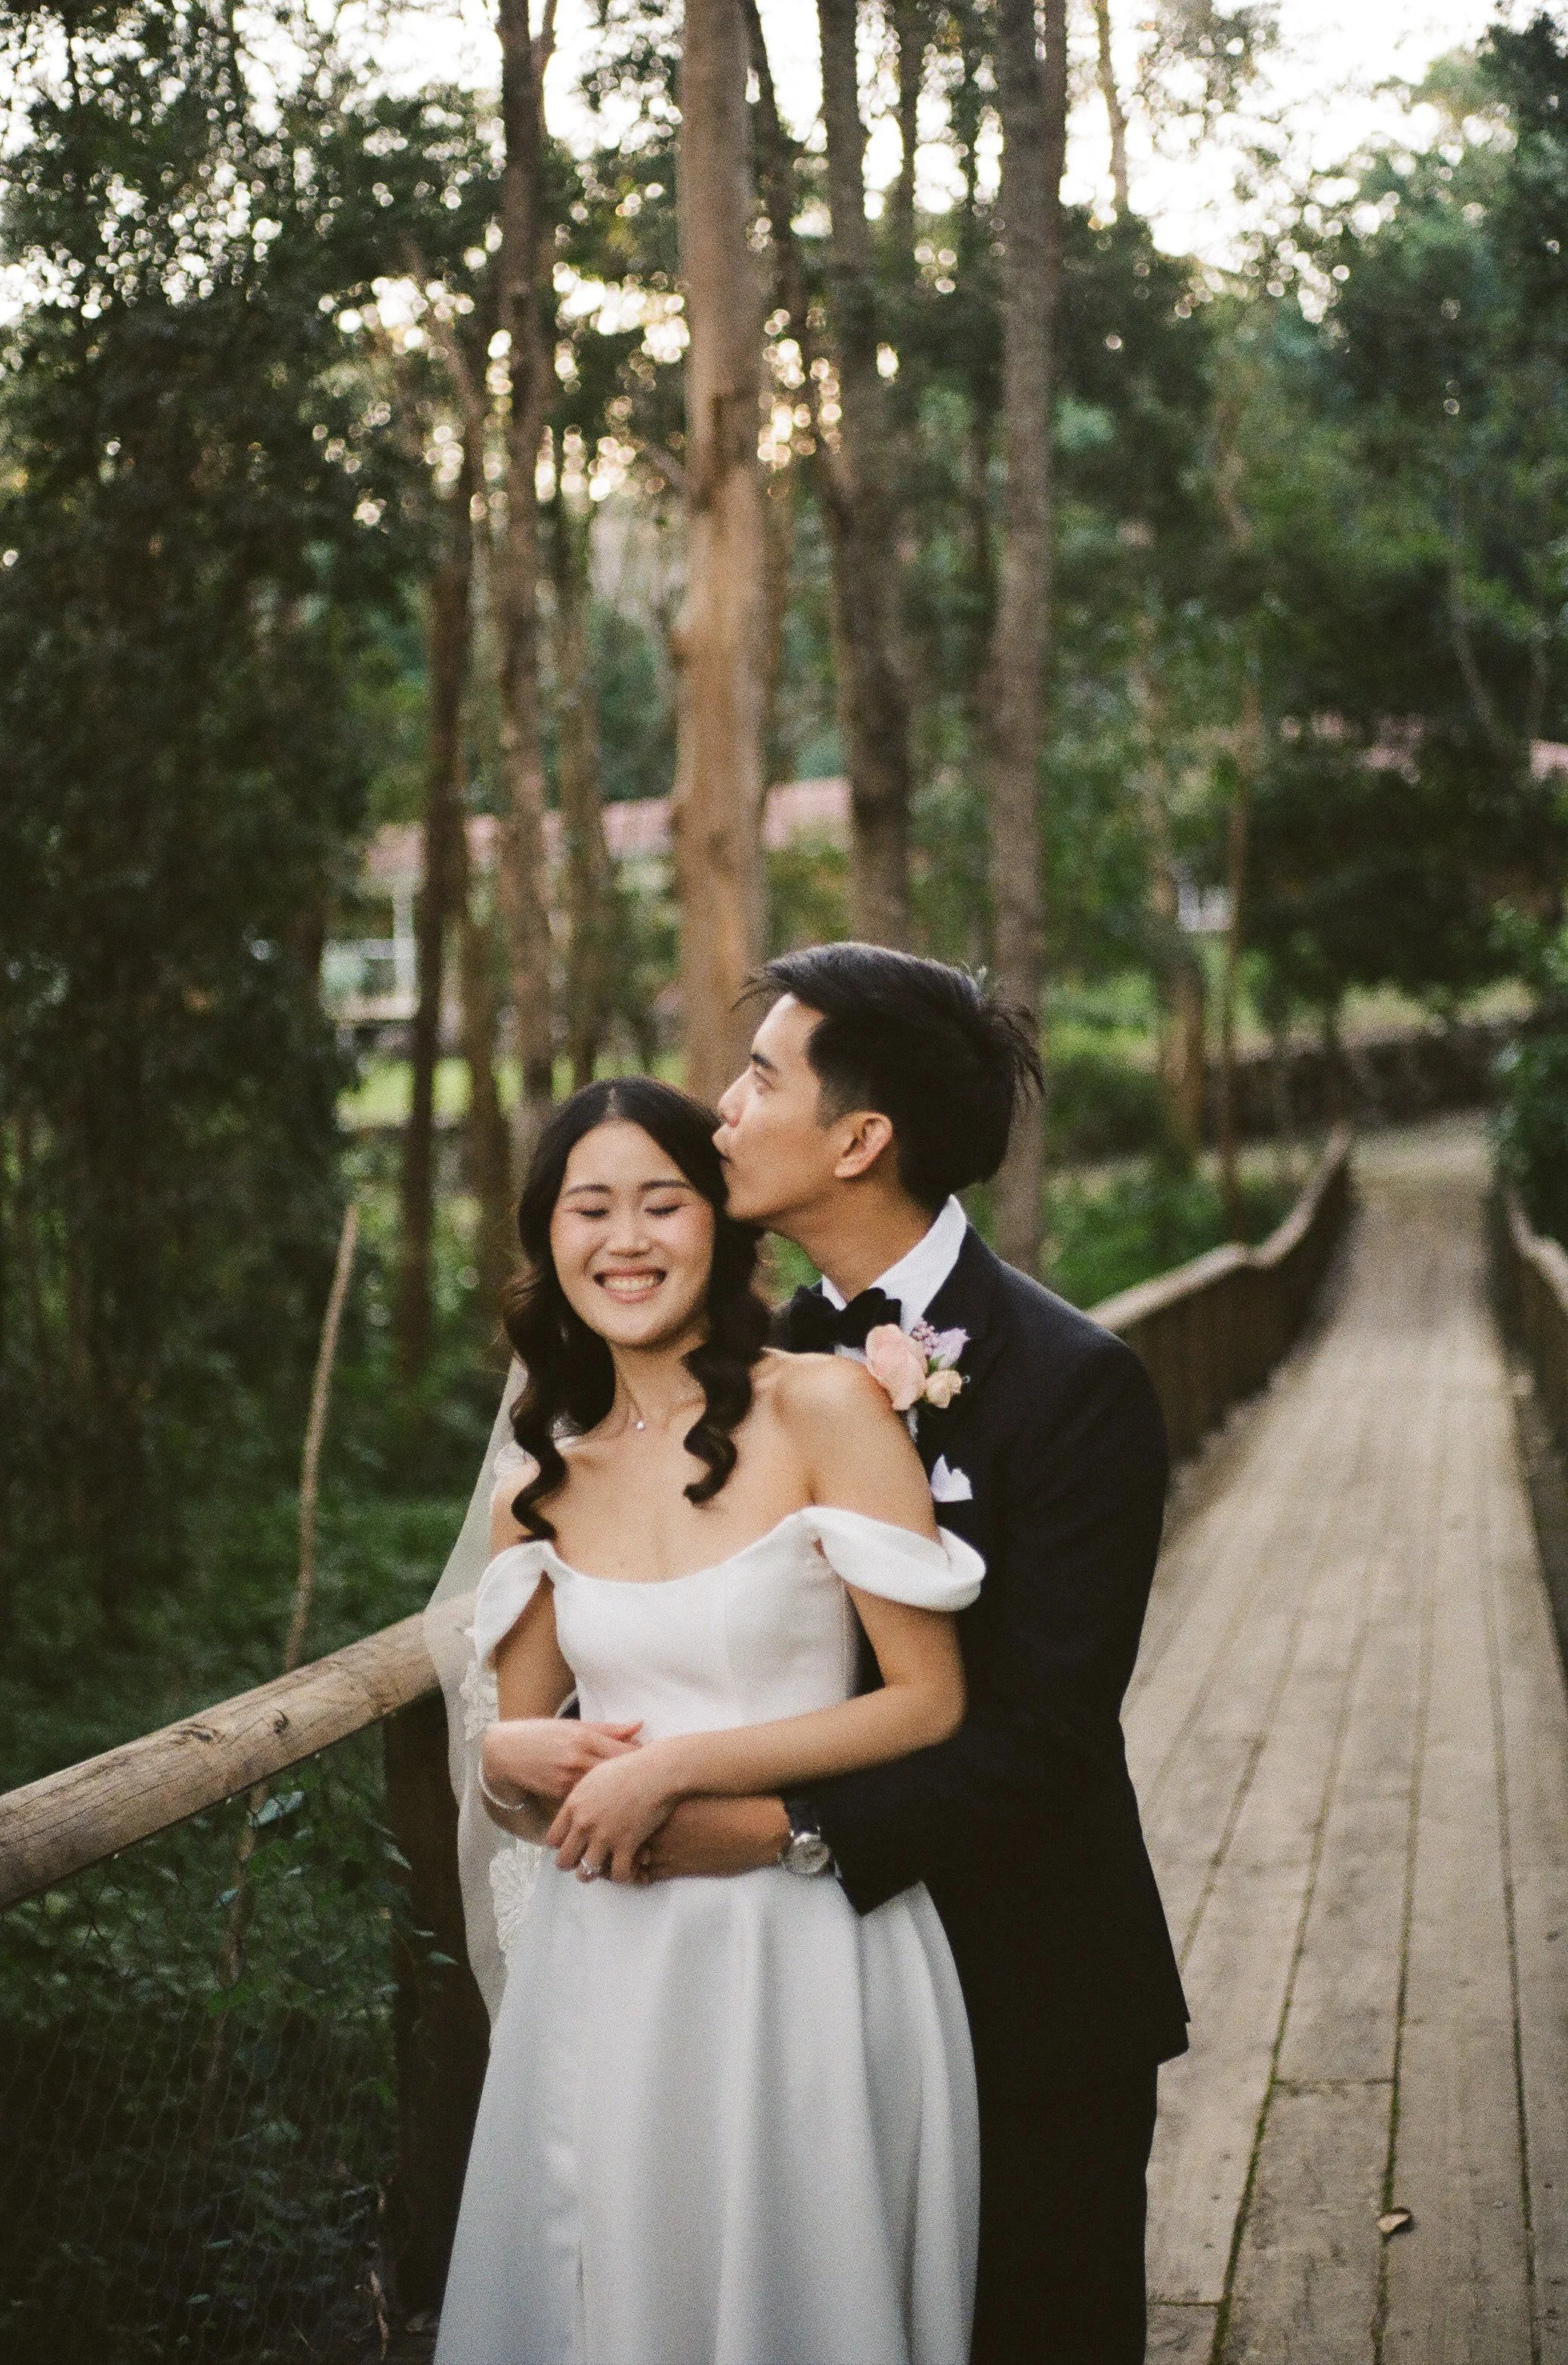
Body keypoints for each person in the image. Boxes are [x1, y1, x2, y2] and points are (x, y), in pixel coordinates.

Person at [639, 944, 1190, 2365]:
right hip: (799, 2004)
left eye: (759, 1076)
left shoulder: (1074, 1388)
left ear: (860, 1137)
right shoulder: (743, 1371)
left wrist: (775, 1830)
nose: (722, 1108)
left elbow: (1039, 1733)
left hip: (1028, 1984)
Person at [429, 1075, 985, 2365]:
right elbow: (523, 1783)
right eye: (589, 1208)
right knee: (618, 2304)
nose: (625, 1240)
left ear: (724, 1225)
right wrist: (508, 1759)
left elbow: (927, 1698)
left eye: (661, 1202)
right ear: (546, 1237)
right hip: (609, 1974)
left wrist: (671, 1767)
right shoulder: (542, 1485)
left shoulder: (822, 1408)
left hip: (801, 1947)